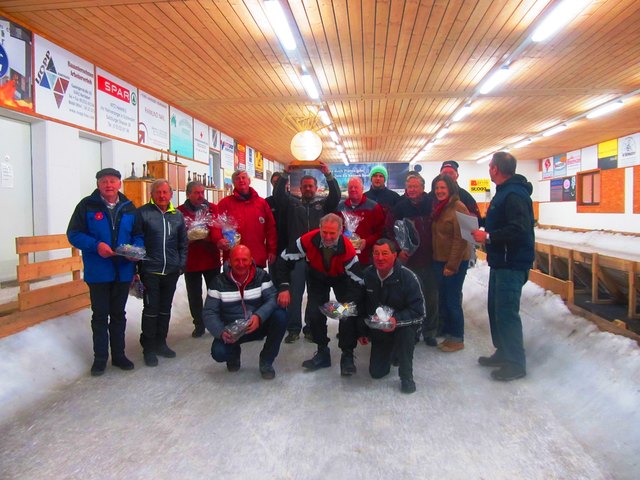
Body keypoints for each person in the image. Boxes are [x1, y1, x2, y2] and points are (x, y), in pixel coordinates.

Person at [67, 168, 144, 376]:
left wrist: (135, 251)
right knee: (100, 315)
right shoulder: (86, 206)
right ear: (98, 185)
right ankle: (100, 358)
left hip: (123, 271)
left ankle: (119, 355)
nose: (108, 185)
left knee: (118, 314)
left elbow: (138, 235)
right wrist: (95, 245)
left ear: (120, 184)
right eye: (104, 181)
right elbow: (73, 234)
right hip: (98, 272)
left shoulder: (129, 208)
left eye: (112, 181)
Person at [275, 213, 364, 376]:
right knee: (315, 314)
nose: (328, 237)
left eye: (332, 233)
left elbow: (358, 281)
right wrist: (283, 286)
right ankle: (322, 351)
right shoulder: (307, 240)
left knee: (347, 313)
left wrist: (348, 305)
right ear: (320, 229)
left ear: (340, 231)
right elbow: (283, 260)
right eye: (325, 232)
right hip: (317, 276)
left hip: (342, 278)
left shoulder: (348, 249)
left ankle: (347, 354)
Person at [472, 152, 535, 382]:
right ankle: (503, 352)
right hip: (501, 262)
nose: (489, 169)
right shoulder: (504, 193)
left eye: (490, 166)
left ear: (496, 169)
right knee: (496, 310)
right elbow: (500, 223)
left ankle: (516, 363)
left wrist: (487, 236)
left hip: (512, 263)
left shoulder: (514, 194)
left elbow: (518, 228)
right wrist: (479, 224)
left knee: (507, 313)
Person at [275, 161, 340, 343]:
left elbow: (334, 197)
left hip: (317, 259)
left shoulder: (323, 206)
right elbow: (279, 196)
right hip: (296, 258)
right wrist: (284, 175)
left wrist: (328, 175)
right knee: (294, 295)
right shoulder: (291, 204)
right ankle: (294, 329)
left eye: (311, 186)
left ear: (316, 187)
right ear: (300, 188)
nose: (308, 189)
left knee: (314, 296)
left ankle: (311, 327)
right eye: (305, 186)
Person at [202, 245, 287, 379]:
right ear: (229, 261)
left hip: (257, 324)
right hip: (232, 331)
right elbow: (209, 312)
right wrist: (220, 332)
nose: (241, 264)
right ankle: (233, 353)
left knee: (281, 316)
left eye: (244, 260)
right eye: (236, 260)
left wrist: (259, 316)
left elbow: (272, 299)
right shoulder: (218, 282)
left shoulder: (262, 276)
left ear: (251, 260)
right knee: (218, 353)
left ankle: (266, 360)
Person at [137, 179, 187, 367]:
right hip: (151, 270)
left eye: (165, 192)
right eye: (158, 192)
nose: (162, 195)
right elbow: (137, 242)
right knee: (151, 309)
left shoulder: (177, 216)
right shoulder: (143, 213)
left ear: (171, 195)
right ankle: (148, 347)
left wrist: (181, 264)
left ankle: (161, 342)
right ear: (152, 194)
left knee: (165, 308)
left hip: (171, 271)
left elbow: (183, 243)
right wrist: (139, 268)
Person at [363, 239, 425, 394]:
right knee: (376, 373)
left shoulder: (408, 277)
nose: (380, 258)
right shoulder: (368, 275)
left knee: (406, 333)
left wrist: (395, 320)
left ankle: (406, 377)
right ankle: (391, 351)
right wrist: (362, 331)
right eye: (376, 253)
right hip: (380, 328)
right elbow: (360, 305)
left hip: (402, 326)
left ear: (394, 255)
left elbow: (420, 313)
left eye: (385, 253)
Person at [386, 172, 438, 346]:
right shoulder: (400, 208)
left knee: (431, 297)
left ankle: (430, 331)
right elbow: (390, 232)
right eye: (409, 187)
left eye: (416, 186)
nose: (412, 190)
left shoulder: (432, 205)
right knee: (411, 298)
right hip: (409, 262)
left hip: (430, 259)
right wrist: (399, 250)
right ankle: (413, 330)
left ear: (423, 188)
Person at [431, 174, 470, 352]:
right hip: (440, 260)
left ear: (451, 189)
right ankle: (448, 333)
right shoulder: (440, 207)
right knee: (445, 298)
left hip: (455, 262)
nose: (439, 191)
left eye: (443, 188)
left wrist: (451, 265)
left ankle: (457, 337)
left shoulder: (459, 206)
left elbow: (463, 239)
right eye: (437, 188)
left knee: (453, 299)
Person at [177, 181, 222, 338]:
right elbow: (177, 235)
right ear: (188, 194)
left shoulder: (212, 209)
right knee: (194, 294)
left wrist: (210, 237)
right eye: (196, 193)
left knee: (214, 292)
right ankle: (198, 323)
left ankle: (215, 320)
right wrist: (188, 238)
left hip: (211, 258)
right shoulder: (179, 212)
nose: (200, 196)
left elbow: (217, 229)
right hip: (192, 261)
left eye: (202, 192)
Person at [217, 170, 277, 269]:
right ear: (234, 183)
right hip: (233, 259)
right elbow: (216, 226)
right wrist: (219, 240)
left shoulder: (262, 204)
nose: (241, 180)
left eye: (243, 177)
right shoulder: (225, 203)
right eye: (237, 179)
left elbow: (271, 229)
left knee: (257, 284)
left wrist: (272, 250)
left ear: (249, 181)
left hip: (256, 257)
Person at [337, 176, 385, 265]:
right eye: (350, 187)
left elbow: (381, 232)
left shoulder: (374, 207)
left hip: (367, 257)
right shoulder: (340, 208)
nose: (353, 189)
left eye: (356, 187)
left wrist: (367, 242)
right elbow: (337, 230)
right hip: (345, 256)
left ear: (362, 189)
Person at [265, 171, 288, 255]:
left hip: (289, 245)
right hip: (273, 246)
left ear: (286, 183)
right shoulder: (266, 202)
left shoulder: (294, 202)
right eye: (275, 182)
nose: (278, 185)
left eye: (280, 182)